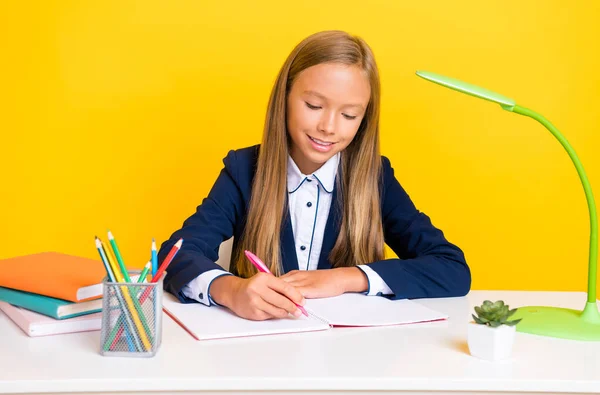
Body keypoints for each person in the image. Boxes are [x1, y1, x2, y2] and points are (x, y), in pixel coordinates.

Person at [158, 30, 470, 321]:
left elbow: (452, 268)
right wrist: (230, 290)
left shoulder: (374, 177)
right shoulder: (244, 169)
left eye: (349, 115)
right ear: (285, 98)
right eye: (314, 105)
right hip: (261, 355)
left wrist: (346, 278)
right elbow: (176, 254)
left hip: (348, 360)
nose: (329, 127)